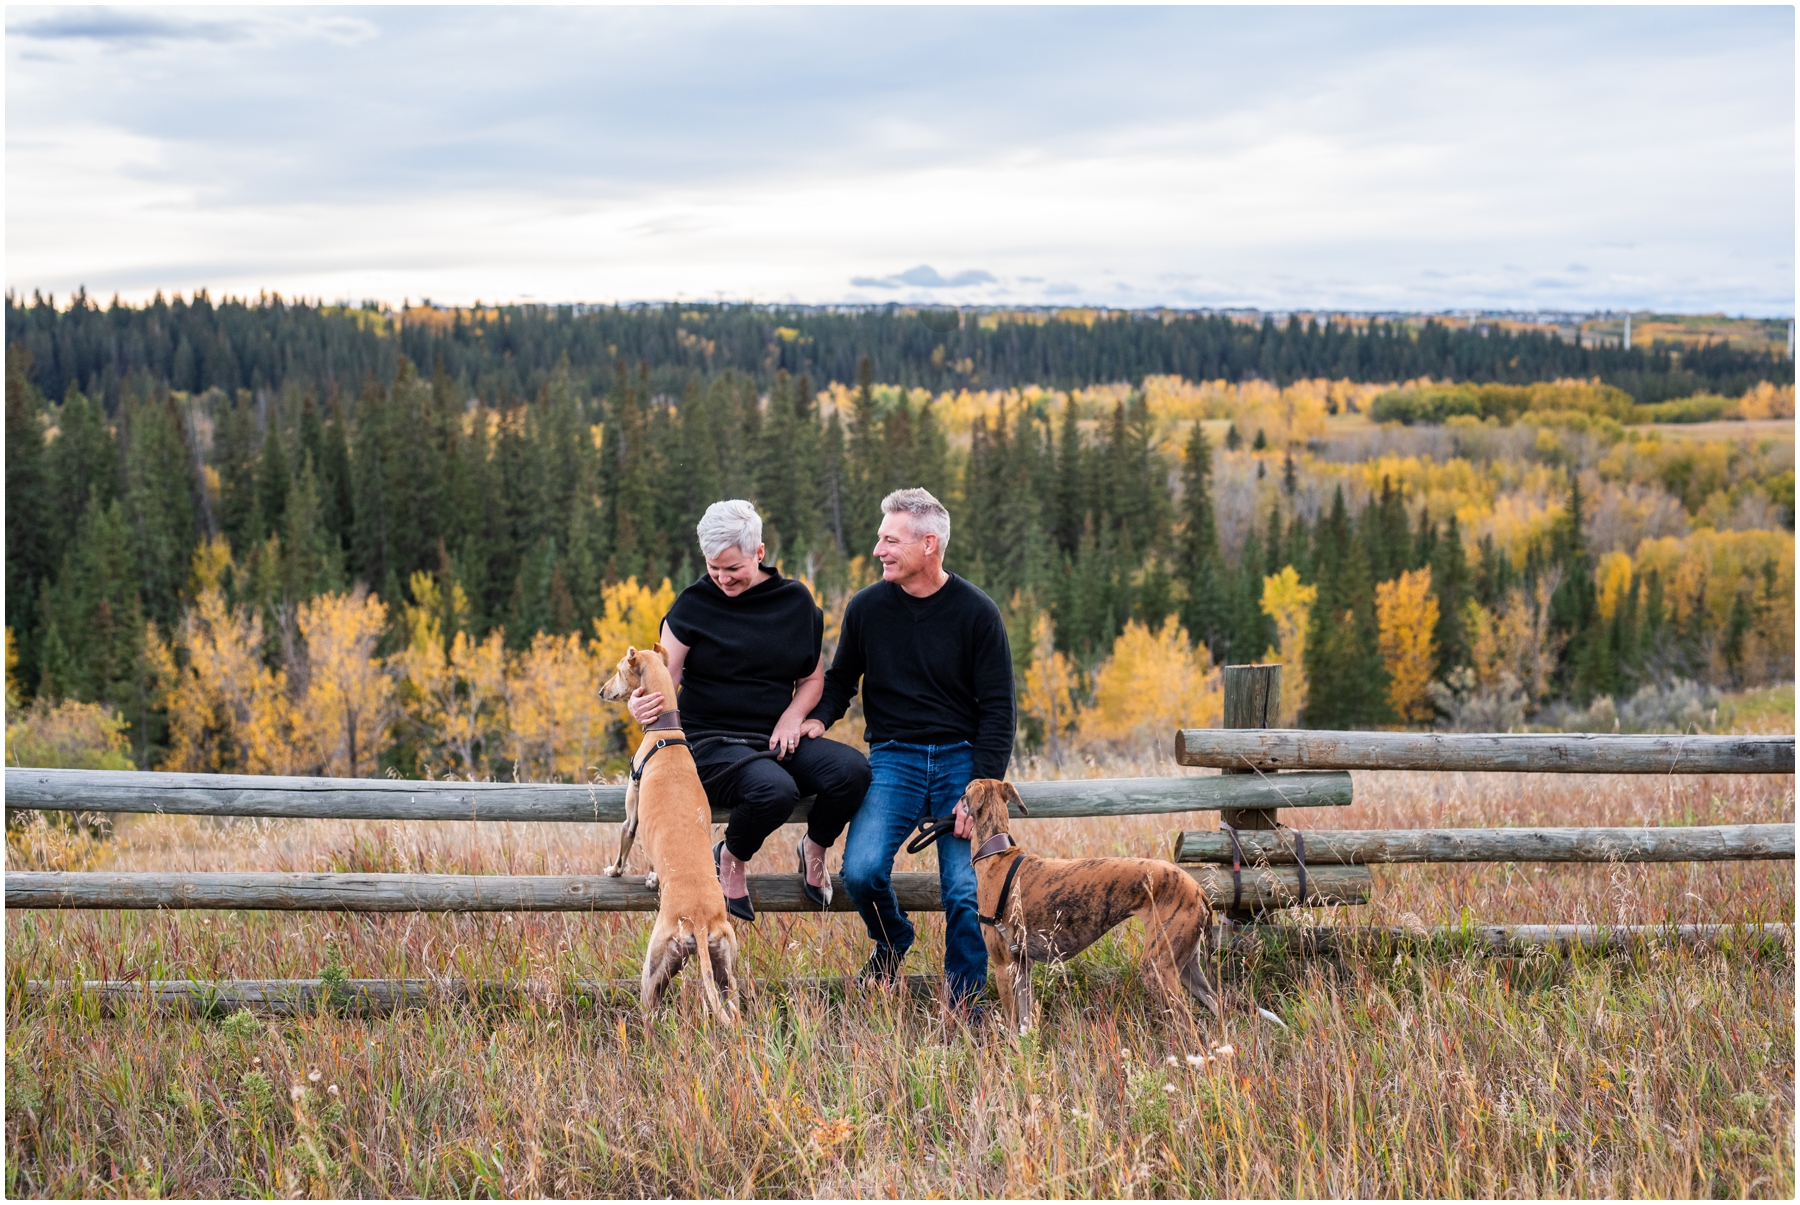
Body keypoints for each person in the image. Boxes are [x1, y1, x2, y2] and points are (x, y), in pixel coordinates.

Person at [799, 487, 1015, 1013]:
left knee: (966, 888)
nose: (879, 550)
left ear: (929, 544)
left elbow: (999, 712)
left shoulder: (977, 613)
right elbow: (841, 680)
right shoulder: (867, 608)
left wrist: (979, 793)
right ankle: (893, 939)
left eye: (891, 541)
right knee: (861, 871)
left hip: (962, 760)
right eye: (880, 539)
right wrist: (816, 719)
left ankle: (963, 1005)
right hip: (894, 758)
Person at [626, 500, 870, 922]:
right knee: (774, 790)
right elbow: (664, 677)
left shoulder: (796, 602)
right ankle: (731, 856)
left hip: (774, 737)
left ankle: (815, 847)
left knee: (853, 771)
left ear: (759, 553)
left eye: (733, 568)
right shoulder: (692, 605)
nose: (723, 578)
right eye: (713, 568)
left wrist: (793, 717)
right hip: (707, 743)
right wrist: (639, 702)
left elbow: (812, 680)